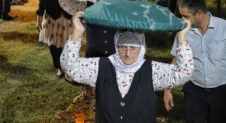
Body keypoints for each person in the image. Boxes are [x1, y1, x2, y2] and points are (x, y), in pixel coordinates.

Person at [60, 11, 194, 122]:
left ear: (142, 48)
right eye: (123, 47)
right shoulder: (101, 66)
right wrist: (77, 32)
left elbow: (184, 72)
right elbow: (70, 66)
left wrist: (182, 37)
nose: (128, 53)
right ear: (116, 46)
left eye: (134, 48)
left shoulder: (152, 70)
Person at [164, 0, 226, 122]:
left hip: (220, 93)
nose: (182, 20)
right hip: (194, 90)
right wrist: (167, 89)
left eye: (185, 16)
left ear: (199, 13)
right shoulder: (183, 32)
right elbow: (176, 60)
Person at [59, 0, 146, 58]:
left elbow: (141, 9)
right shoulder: (88, 7)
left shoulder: (119, 6)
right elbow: (66, 2)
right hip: (93, 57)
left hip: (115, 57)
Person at [36, 0, 73, 79]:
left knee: (67, 43)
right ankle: (59, 67)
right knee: (53, 44)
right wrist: (39, 18)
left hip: (67, 16)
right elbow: (43, 0)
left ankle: (67, 66)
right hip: (52, 15)